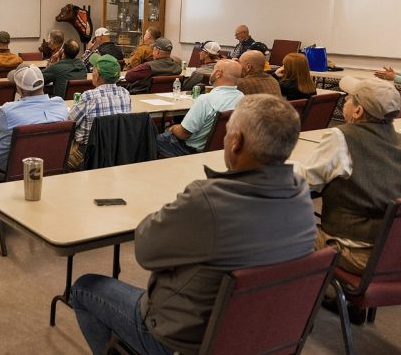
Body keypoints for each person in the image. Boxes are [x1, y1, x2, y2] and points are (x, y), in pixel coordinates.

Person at [71, 95, 316, 355]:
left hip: (184, 339)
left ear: (236, 142)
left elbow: (145, 251)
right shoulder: (300, 195)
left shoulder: (208, 200)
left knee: (85, 288)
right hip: (260, 331)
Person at [293, 77, 401, 277]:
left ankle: (297, 298)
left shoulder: (341, 137)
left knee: (288, 228)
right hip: (392, 250)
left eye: (350, 98)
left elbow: (306, 180)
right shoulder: (397, 140)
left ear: (358, 111)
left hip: (355, 250)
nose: (346, 101)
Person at [0, 65, 69, 182]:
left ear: (20, 90)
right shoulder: (60, 105)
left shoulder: (8, 111)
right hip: (48, 167)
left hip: (6, 171)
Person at [156, 59, 244, 157]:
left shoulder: (205, 100)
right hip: (221, 150)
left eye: (213, 70)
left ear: (218, 74)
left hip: (189, 150)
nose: (211, 73)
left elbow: (183, 133)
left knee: (152, 140)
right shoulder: (243, 99)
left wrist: (172, 128)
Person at [67, 54, 131, 171]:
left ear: (97, 76)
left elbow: (69, 124)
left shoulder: (88, 96)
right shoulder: (125, 94)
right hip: (116, 151)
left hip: (87, 154)